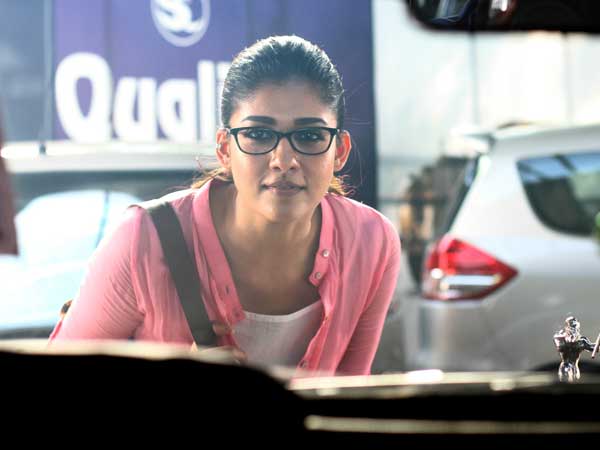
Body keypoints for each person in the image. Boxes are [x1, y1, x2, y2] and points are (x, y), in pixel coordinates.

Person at [49, 35, 401, 377]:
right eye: (258, 134)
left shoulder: (372, 243)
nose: (284, 160)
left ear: (340, 151)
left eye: (309, 136)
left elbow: (351, 391)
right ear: (224, 149)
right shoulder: (142, 240)